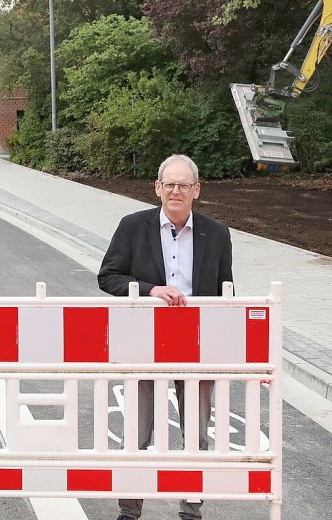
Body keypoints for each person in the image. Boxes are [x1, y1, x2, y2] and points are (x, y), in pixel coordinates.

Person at [98, 154, 233, 520]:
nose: (176, 191)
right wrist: (149, 289)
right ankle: (130, 510)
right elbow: (108, 277)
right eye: (169, 184)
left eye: (183, 185)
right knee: (139, 431)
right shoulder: (132, 226)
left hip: (197, 345)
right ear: (157, 188)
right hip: (144, 340)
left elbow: (226, 293)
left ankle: (191, 509)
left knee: (197, 435)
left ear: (197, 191)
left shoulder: (217, 234)